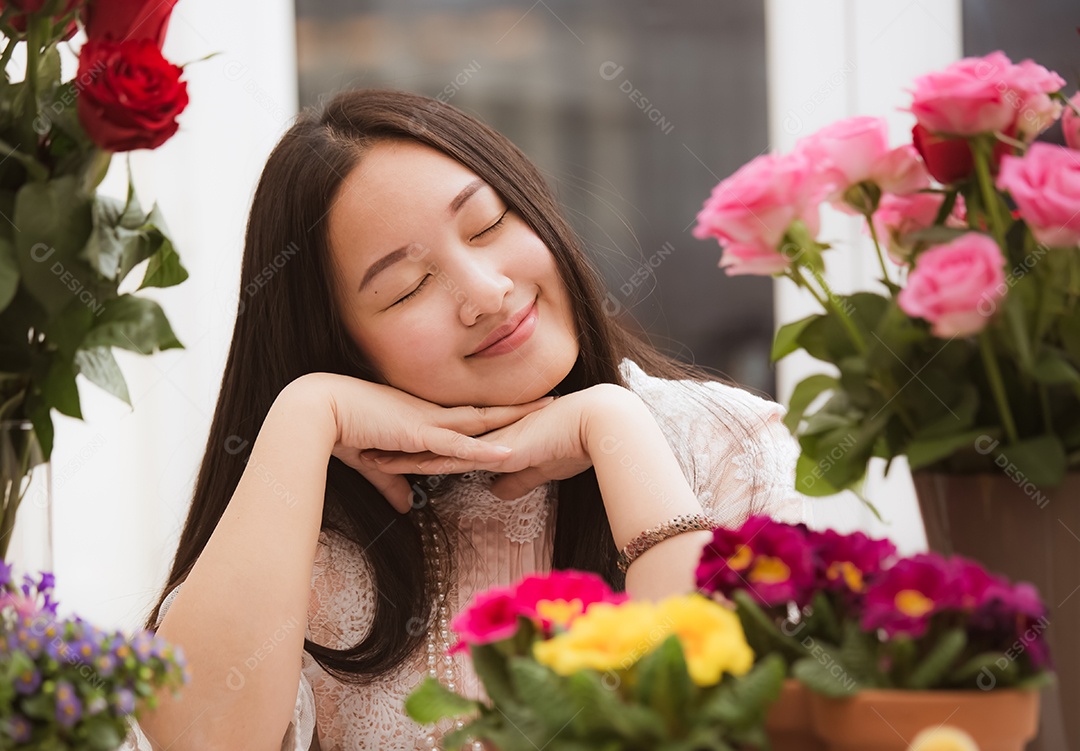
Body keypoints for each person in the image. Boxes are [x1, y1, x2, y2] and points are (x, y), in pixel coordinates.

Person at [123, 89, 809, 751]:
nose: (487, 293)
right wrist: (303, 414)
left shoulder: (726, 445)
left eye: (488, 224)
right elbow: (198, 739)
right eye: (407, 287)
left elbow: (732, 719)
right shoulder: (311, 540)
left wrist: (616, 426)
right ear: (341, 346)